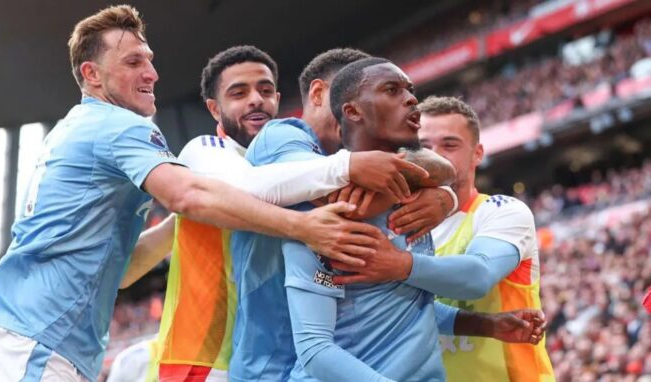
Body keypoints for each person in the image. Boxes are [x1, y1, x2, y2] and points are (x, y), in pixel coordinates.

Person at [0, 8, 399, 381]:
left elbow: (124, 269)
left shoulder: (79, 128)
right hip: (41, 343)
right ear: (92, 74)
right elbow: (188, 194)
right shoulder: (120, 127)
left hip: (41, 342)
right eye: (134, 61)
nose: (152, 73)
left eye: (150, 61)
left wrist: (186, 222)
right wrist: (304, 225)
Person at [121, 45, 422, 382]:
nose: (256, 100)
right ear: (214, 109)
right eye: (239, 93)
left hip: (280, 359)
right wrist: (347, 169)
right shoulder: (205, 151)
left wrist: (442, 190)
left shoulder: (298, 161)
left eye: (265, 91)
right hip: (209, 362)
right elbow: (248, 185)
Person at [282, 57, 548, 381]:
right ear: (352, 112)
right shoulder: (323, 206)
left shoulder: (422, 202)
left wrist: (484, 324)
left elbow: (399, 304)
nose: (411, 99)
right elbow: (314, 348)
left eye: (411, 90)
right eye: (393, 90)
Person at [410, 95, 555, 381]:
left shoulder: (501, 211)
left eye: (449, 145)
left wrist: (393, 266)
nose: (435, 155)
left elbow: (476, 278)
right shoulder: (399, 226)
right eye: (424, 147)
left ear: (478, 153)